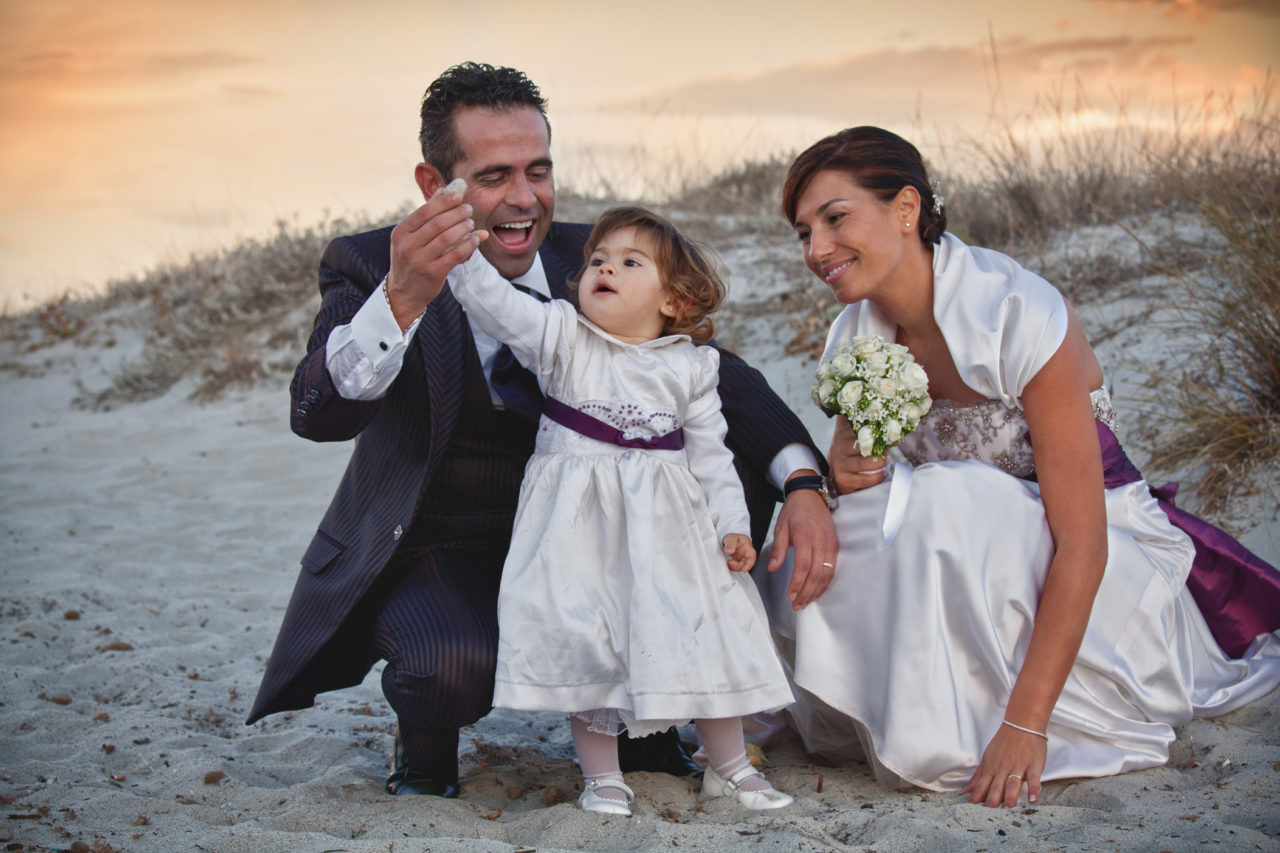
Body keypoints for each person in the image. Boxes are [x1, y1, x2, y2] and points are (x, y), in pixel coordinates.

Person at [245, 62, 837, 798]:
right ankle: (425, 739)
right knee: (446, 667)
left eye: (539, 170)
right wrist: (401, 299)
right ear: (436, 186)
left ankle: (654, 726)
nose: (524, 199)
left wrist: (805, 483)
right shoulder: (371, 263)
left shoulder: (601, 255)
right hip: (450, 546)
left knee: (712, 471)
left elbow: (719, 379)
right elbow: (319, 414)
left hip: (601, 538)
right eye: (494, 176)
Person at [757, 126, 1280, 808]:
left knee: (949, 498)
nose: (816, 250)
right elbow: (859, 480)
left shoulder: (1019, 312)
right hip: (959, 561)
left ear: (907, 208)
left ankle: (991, 711)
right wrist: (838, 478)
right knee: (835, 523)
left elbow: (1084, 541)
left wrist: (1025, 723)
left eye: (834, 219)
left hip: (1087, 551)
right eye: (802, 233)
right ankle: (871, 701)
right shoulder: (853, 333)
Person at [446, 204, 795, 815]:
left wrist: (734, 526)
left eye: (630, 262)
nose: (605, 268)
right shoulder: (562, 338)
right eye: (598, 261)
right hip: (583, 535)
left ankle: (730, 766)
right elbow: (494, 303)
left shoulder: (691, 364)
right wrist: (459, 252)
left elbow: (711, 456)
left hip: (674, 536)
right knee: (594, 644)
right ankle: (603, 776)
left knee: (706, 634)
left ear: (675, 301)